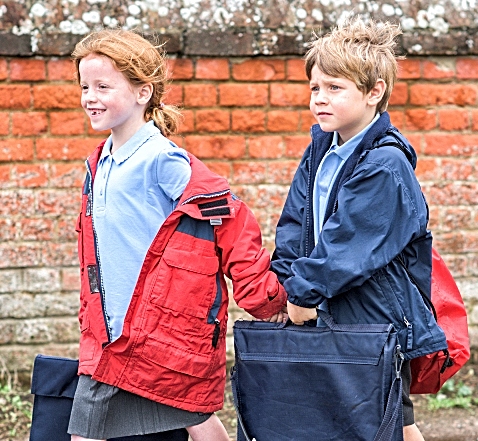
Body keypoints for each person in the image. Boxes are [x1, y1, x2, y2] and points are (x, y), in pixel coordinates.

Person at [69, 29, 287, 441]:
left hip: (158, 331)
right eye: (84, 86)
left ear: (142, 92)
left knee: (176, 418)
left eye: (103, 87)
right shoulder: (101, 162)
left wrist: (264, 297)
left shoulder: (160, 159)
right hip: (111, 332)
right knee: (176, 419)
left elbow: (231, 220)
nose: (90, 97)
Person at [270, 17, 447, 441]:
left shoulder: (386, 165)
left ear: (373, 93)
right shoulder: (320, 150)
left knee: (390, 424)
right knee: (348, 424)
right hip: (329, 312)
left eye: (334, 88)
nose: (319, 99)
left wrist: (303, 292)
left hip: (374, 322)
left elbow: (350, 245)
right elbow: (295, 224)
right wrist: (283, 282)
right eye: (315, 88)